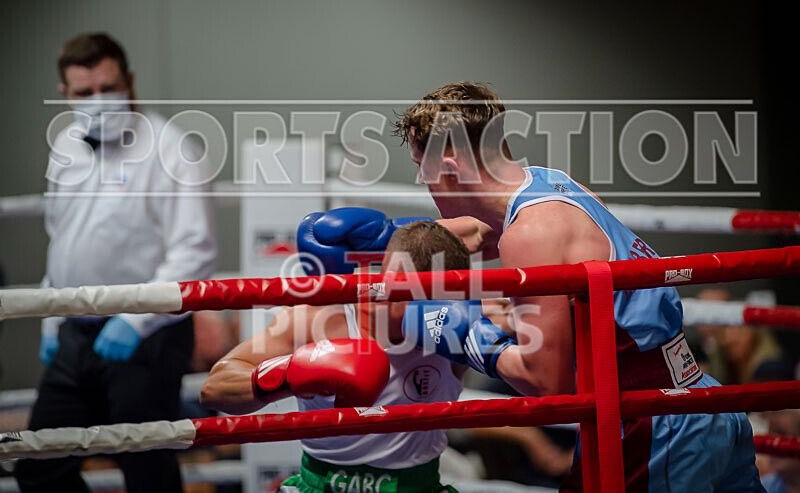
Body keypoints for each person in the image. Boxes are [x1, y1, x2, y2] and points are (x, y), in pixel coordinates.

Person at [300, 82, 765, 491]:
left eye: (422, 168)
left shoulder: (529, 235)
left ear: (447, 163)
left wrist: (456, 328)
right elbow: (474, 234)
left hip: (652, 427)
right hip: (703, 404)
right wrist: (387, 241)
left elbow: (548, 383)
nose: (424, 183)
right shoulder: (550, 185)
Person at [14, 33, 218, 493]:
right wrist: (50, 319)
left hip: (147, 338)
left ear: (129, 81)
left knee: (145, 467)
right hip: (74, 330)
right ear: (65, 94)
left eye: (108, 88)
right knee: (39, 464)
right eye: (85, 93)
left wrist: (135, 319)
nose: (98, 101)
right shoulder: (65, 145)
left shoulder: (172, 148)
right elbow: (62, 238)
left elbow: (196, 250)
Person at [201, 221, 513, 493]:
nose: (428, 314)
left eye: (438, 302)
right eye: (416, 298)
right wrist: (287, 374)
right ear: (387, 279)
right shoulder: (319, 317)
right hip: (319, 486)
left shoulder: (463, 324)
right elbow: (214, 388)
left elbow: (544, 368)